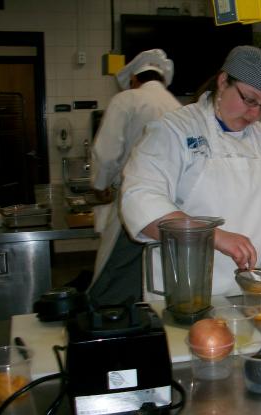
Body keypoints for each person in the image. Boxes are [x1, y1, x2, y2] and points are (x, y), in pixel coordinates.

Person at [120, 45, 261, 296]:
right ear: (223, 82)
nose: (255, 114)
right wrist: (213, 235)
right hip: (189, 291)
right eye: (249, 99)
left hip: (259, 289)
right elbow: (140, 198)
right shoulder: (174, 130)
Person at [88, 49, 182, 306]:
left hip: (135, 201)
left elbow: (106, 153)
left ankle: (109, 327)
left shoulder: (127, 99)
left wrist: (100, 184)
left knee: (115, 274)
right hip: (172, 207)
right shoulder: (179, 107)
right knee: (156, 273)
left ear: (134, 79)